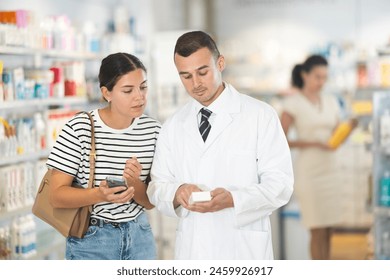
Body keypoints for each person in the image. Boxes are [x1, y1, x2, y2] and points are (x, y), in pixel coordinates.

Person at [147, 30, 294, 260]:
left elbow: (281, 184)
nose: (195, 83)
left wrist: (234, 199)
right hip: (193, 250)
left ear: (220, 63)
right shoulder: (173, 126)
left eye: (202, 72)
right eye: (185, 76)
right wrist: (177, 192)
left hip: (242, 250)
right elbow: (156, 187)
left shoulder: (260, 116)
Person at [46, 52, 161, 260]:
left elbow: (151, 202)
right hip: (92, 240)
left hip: (140, 237)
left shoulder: (153, 131)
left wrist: (134, 183)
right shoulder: (80, 128)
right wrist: (99, 195)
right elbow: (56, 196)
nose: (139, 96)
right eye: (128, 90)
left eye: (143, 87)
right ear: (106, 93)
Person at [280, 55, 357, 260]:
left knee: (330, 229)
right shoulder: (292, 103)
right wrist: (313, 143)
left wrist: (349, 129)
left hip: (331, 170)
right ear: (305, 75)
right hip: (310, 172)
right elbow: (280, 140)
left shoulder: (331, 101)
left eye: (325, 78)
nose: (321, 82)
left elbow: (336, 135)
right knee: (317, 230)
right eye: (317, 77)